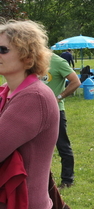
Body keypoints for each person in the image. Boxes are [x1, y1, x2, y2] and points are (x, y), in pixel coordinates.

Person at [0, 20, 59, 209]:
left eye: (3, 50)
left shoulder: (34, 97)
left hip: (24, 203)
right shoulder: (6, 92)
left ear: (28, 57)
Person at [43, 54, 81, 190]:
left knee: (62, 145)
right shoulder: (29, 60)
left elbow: (76, 81)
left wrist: (59, 97)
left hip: (55, 111)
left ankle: (67, 180)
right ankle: (42, 182)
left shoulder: (57, 61)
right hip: (34, 111)